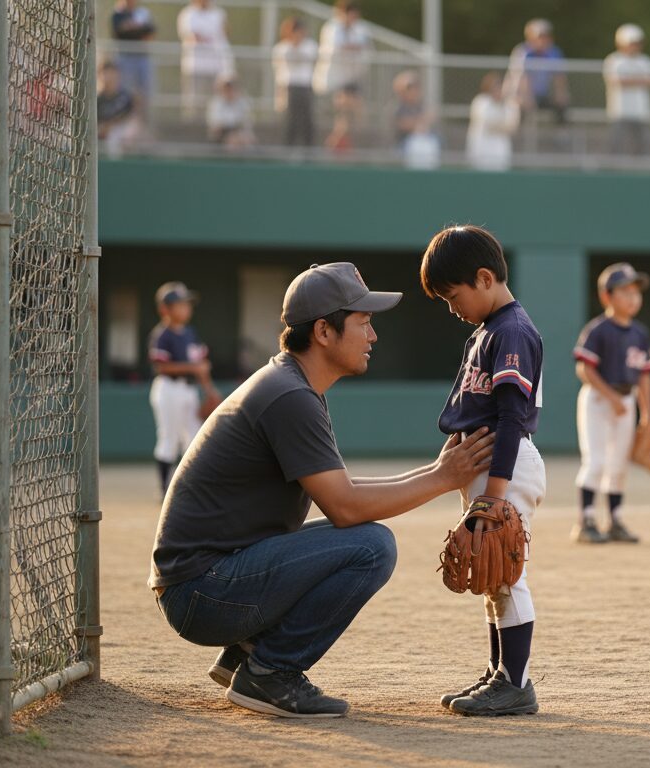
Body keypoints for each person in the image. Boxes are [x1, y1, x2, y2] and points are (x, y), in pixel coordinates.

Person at [151, 263, 497, 718]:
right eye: (363, 322)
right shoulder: (290, 396)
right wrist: (442, 478)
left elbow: (343, 490)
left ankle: (247, 653)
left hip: (205, 581)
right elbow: (345, 508)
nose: (373, 336)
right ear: (323, 332)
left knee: (360, 539)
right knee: (372, 547)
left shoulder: (293, 384)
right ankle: (271, 671)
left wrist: (437, 471)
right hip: (202, 593)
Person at [419, 226, 547, 717]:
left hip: (505, 465)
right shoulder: (489, 330)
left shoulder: (511, 331)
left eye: (454, 296)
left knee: (506, 574)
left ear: (485, 278)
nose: (452, 308)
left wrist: (493, 493)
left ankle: (515, 683)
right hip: (490, 466)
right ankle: (500, 673)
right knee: (491, 575)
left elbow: (512, 417)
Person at [571, 263, 650, 544]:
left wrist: (647, 415)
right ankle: (586, 521)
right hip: (598, 400)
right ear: (606, 296)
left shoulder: (640, 333)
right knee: (596, 461)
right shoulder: (598, 330)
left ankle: (615, 521)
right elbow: (584, 369)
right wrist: (611, 397)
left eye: (636, 292)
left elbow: (644, 376)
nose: (633, 297)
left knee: (619, 464)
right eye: (625, 292)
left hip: (626, 400)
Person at [148, 282, 220, 494]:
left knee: (194, 438)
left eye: (187, 304)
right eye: (180, 304)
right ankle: (165, 489)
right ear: (165, 309)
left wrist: (210, 391)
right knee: (169, 438)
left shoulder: (190, 333)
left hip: (189, 389)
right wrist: (194, 367)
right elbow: (161, 367)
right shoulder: (162, 335)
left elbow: (201, 366)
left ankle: (190, 487)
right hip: (168, 388)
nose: (186, 308)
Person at [314, 0, 373, 153]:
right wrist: (352, 48)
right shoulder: (332, 28)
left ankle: (338, 143)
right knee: (345, 111)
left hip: (352, 78)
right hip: (334, 81)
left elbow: (363, 48)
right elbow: (337, 48)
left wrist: (351, 48)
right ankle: (335, 144)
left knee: (349, 116)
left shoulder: (360, 29)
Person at [603, 23, 650, 156]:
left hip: (641, 111)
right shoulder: (614, 60)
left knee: (641, 145)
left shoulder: (645, 61)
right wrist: (640, 80)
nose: (636, 46)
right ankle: (614, 166)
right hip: (620, 111)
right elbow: (616, 81)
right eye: (632, 43)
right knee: (617, 144)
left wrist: (629, 80)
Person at [505, 19, 570, 127]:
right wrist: (526, 97)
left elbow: (559, 77)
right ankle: (518, 134)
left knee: (561, 105)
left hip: (541, 95)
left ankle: (560, 135)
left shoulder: (554, 53)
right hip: (519, 94)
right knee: (520, 108)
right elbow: (521, 79)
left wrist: (561, 95)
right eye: (540, 36)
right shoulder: (523, 52)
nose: (543, 40)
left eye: (546, 36)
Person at [176, 0, 232, 119]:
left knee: (216, 102)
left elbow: (223, 36)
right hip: (196, 67)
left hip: (216, 66)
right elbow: (191, 37)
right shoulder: (188, 14)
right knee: (195, 102)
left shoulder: (219, 14)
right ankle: (193, 125)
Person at [272, 17, 318, 147]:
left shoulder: (310, 46)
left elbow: (309, 59)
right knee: (290, 119)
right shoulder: (281, 47)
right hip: (289, 86)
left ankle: (309, 148)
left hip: (305, 86)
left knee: (307, 118)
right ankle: (288, 147)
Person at [467, 72, 521, 171]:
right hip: (481, 152)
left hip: (501, 154)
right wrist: (503, 126)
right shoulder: (481, 102)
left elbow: (512, 127)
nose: (498, 90)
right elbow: (487, 124)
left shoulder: (509, 105)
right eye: (494, 87)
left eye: (499, 87)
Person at [111, 0, 155, 114]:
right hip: (125, 57)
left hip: (142, 57)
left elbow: (150, 31)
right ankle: (127, 116)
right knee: (126, 90)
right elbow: (118, 32)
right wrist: (137, 29)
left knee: (145, 91)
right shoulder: (117, 15)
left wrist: (131, 28)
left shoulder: (143, 12)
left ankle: (143, 118)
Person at [392, 70, 440, 168]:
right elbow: (402, 124)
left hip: (425, 141)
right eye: (409, 88)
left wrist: (418, 123)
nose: (413, 91)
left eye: (415, 87)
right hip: (403, 144)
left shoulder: (422, 105)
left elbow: (431, 117)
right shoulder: (397, 108)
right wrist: (419, 122)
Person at [97, 60, 144, 158]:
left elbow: (133, 116)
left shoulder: (126, 96)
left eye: (112, 75)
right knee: (112, 137)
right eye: (106, 75)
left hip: (122, 129)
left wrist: (113, 125)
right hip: (105, 134)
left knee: (130, 132)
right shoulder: (98, 99)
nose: (109, 79)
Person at [206, 75, 256, 149]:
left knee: (247, 140)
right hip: (221, 136)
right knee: (233, 141)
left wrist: (239, 134)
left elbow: (247, 123)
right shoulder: (216, 103)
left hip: (239, 134)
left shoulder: (243, 103)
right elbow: (216, 126)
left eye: (232, 88)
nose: (230, 91)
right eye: (227, 88)